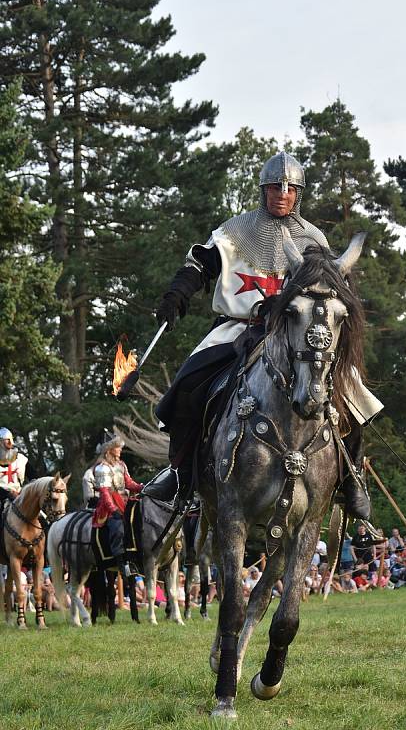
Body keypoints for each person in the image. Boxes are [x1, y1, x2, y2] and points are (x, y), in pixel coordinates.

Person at [143, 152, 382, 520]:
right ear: (263, 190)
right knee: (189, 383)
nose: (281, 195)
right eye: (274, 188)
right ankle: (181, 473)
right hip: (237, 327)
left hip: (293, 333)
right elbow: (199, 264)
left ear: (299, 193)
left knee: (351, 393)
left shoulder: (313, 239)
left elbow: (337, 284)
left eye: (289, 189)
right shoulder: (234, 231)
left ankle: (351, 479)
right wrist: (177, 294)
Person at [92, 436, 143, 577]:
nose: (120, 449)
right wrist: (113, 510)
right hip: (109, 505)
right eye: (117, 447)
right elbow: (105, 492)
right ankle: (121, 562)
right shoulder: (102, 468)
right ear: (109, 449)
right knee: (118, 528)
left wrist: (142, 487)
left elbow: (129, 483)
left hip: (125, 501)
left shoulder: (121, 465)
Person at [0, 427, 28, 508]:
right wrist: (8, 494)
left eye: (10, 439)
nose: (9, 442)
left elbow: (34, 477)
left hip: (20, 496)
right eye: (6, 439)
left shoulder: (20, 459)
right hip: (2, 498)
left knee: (41, 517)